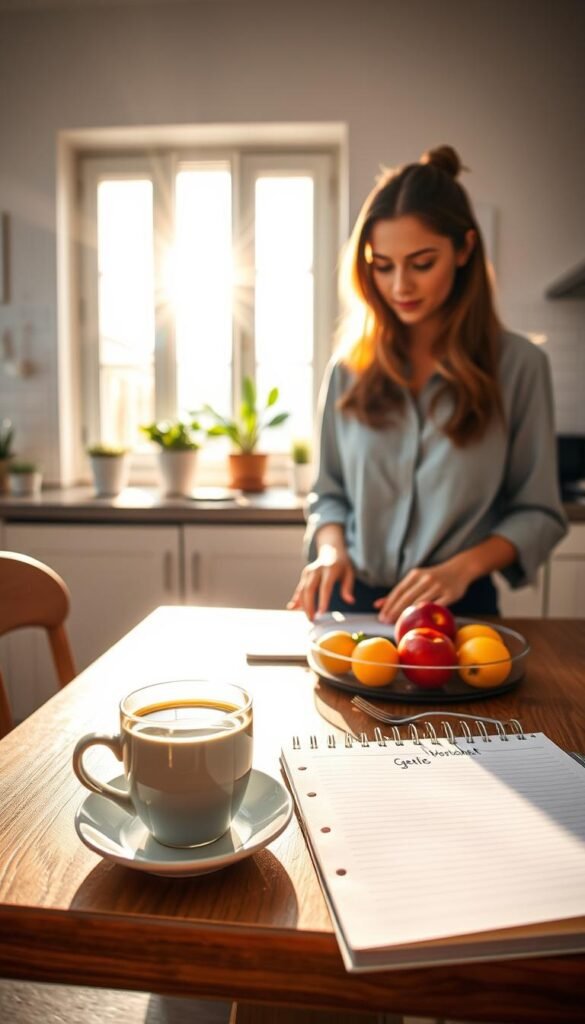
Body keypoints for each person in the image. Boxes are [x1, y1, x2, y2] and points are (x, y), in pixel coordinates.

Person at [288, 145, 567, 623]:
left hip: (456, 609)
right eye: (383, 265)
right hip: (348, 605)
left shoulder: (520, 367)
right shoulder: (348, 368)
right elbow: (329, 494)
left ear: (464, 250)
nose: (400, 287)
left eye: (421, 264)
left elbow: (538, 512)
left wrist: (463, 569)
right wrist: (331, 549)